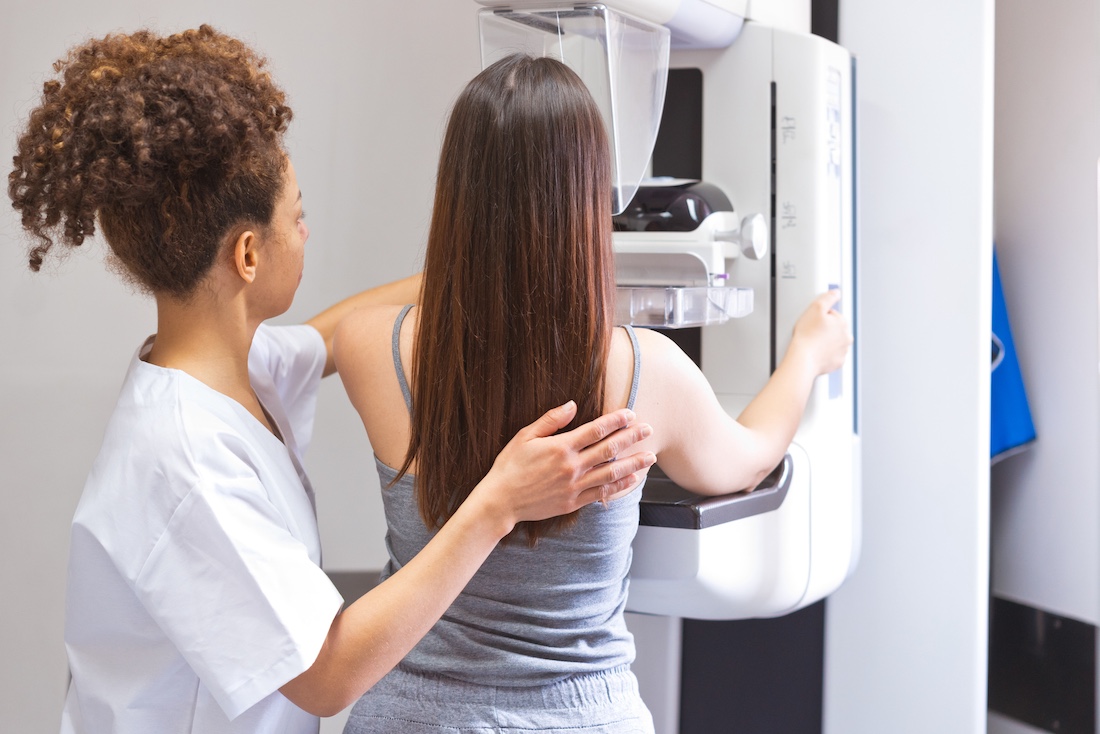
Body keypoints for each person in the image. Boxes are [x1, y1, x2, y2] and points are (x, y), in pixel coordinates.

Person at [7, 27, 656, 734]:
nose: (307, 232)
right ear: (248, 255)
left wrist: (495, 251)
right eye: (299, 215)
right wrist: (499, 503)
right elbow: (327, 674)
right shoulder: (183, 459)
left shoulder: (229, 369)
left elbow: (327, 336)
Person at [334, 53, 852, 733]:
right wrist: (805, 358)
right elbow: (750, 459)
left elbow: (341, 324)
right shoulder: (644, 370)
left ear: (453, 190)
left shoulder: (368, 349)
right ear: (588, 200)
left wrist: (479, 259)